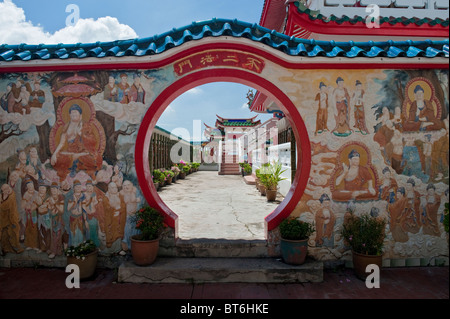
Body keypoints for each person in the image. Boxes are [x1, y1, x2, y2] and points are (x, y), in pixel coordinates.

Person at [51, 104, 102, 180]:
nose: (74, 114)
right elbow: (61, 143)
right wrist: (54, 154)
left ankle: (75, 160)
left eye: (76, 112)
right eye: (72, 112)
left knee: (94, 158)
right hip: (70, 153)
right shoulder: (66, 127)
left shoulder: (85, 126)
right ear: (69, 114)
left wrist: (82, 134)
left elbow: (93, 141)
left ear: (80, 115)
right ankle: (74, 160)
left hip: (84, 153)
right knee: (57, 159)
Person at [0, 184, 24, 255]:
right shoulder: (1, 196)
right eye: (4, 189)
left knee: (13, 234)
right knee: (4, 235)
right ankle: (5, 249)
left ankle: (17, 249)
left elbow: (5, 206)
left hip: (12, 218)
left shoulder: (12, 196)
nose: (7, 190)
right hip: (3, 218)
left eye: (8, 188)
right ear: (2, 190)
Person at [46, 182, 65, 258]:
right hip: (52, 218)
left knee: (57, 234)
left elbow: (61, 210)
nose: (53, 190)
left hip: (59, 219)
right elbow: (48, 208)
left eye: (55, 189)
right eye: (52, 189)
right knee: (52, 234)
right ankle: (55, 250)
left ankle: (55, 251)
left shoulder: (61, 197)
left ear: (57, 190)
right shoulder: (49, 198)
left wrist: (54, 204)